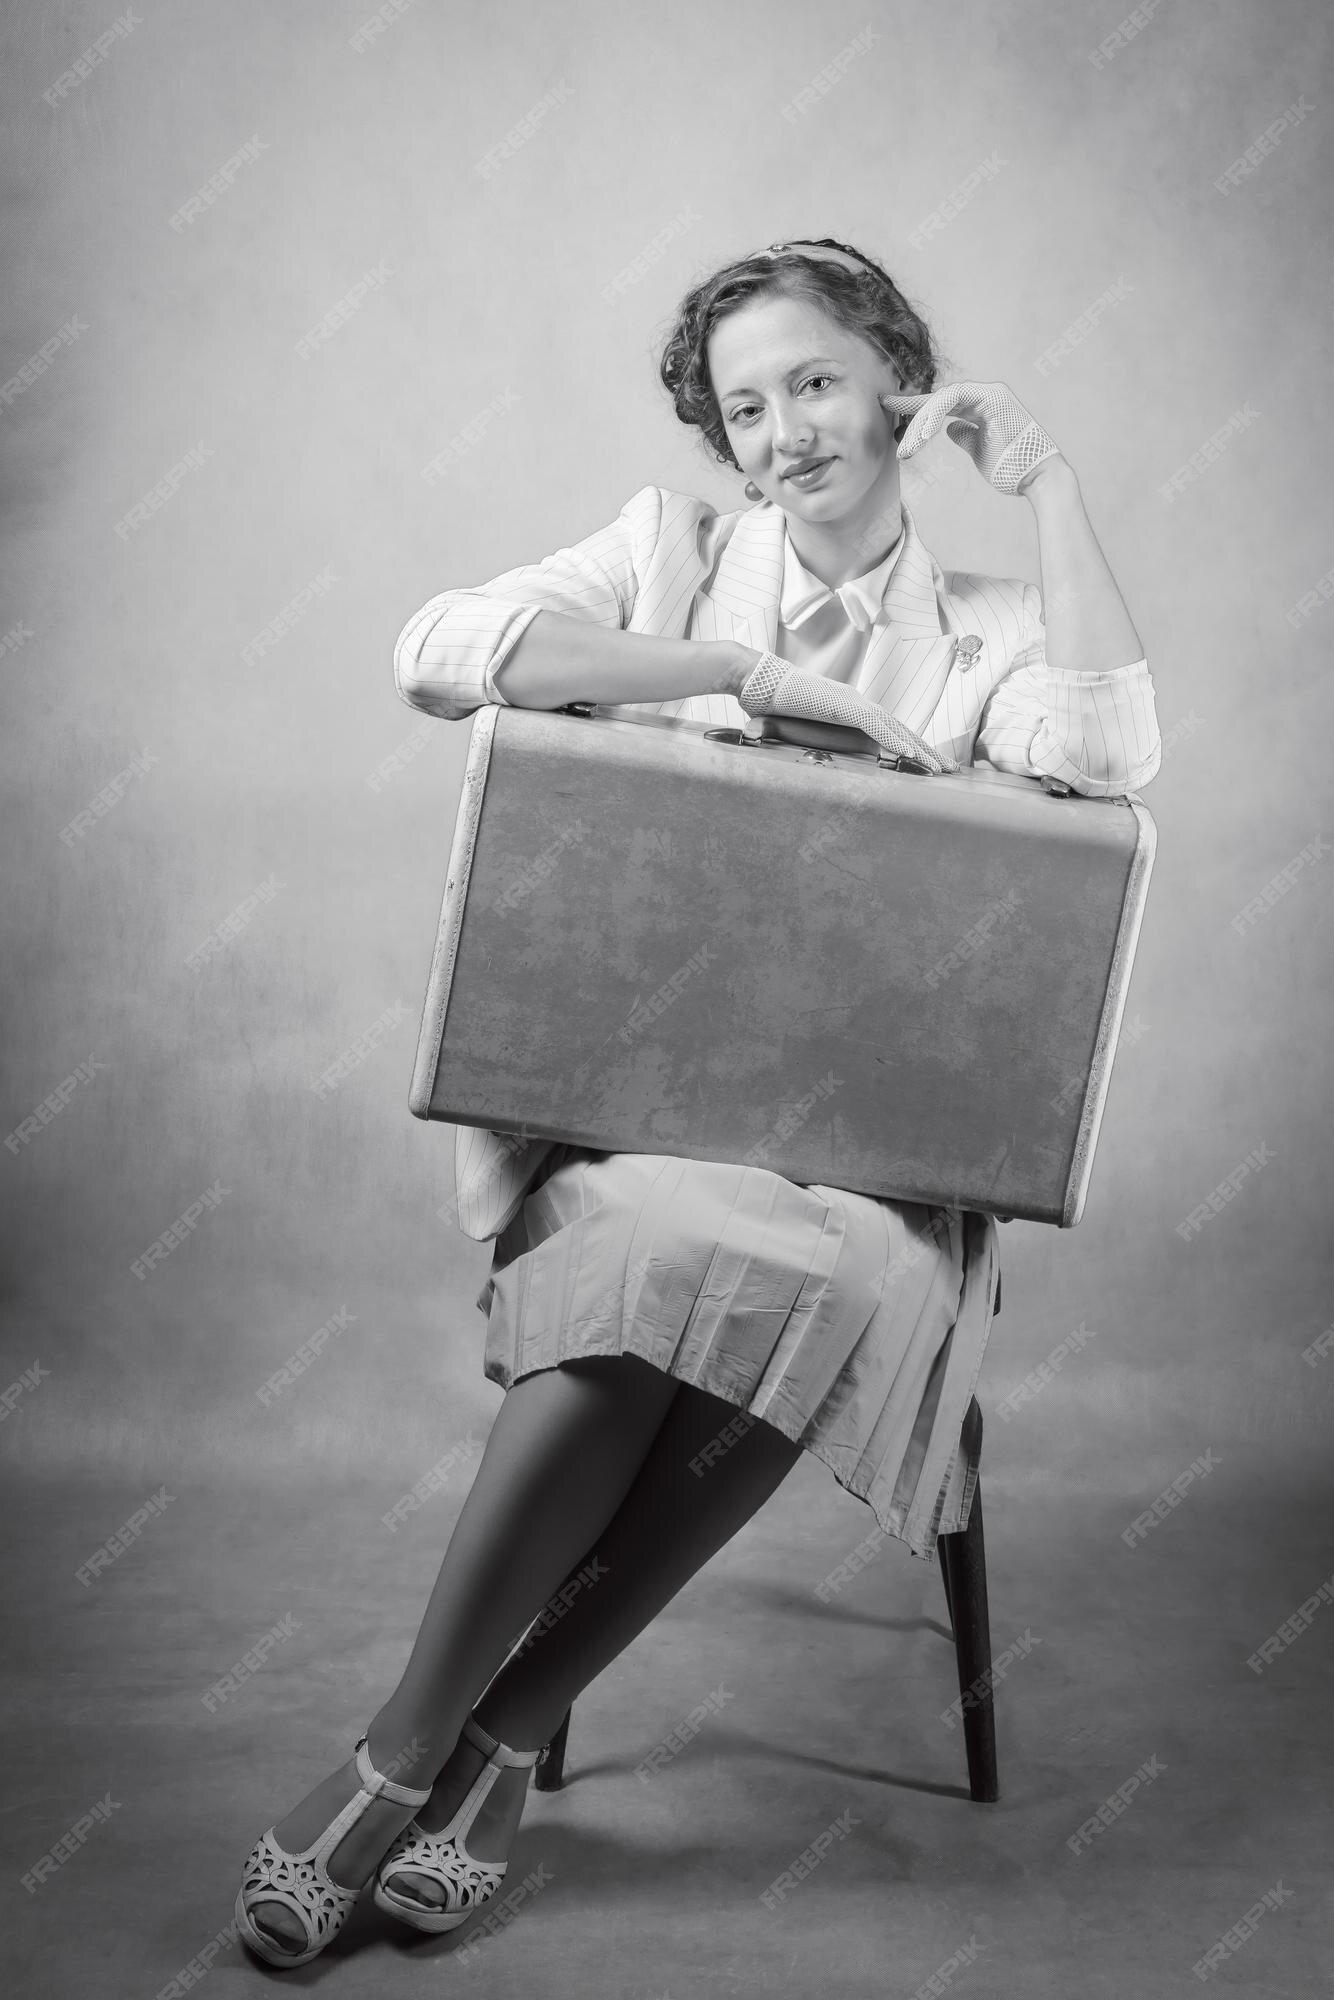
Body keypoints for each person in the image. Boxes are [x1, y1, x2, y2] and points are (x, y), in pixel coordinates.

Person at [235, 236, 1161, 1966]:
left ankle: (475, 1738)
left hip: (887, 1178)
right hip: (644, 1124)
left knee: (845, 1271)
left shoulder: (1000, 629)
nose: (783, 433)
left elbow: (1102, 766)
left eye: (813, 381)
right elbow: (440, 648)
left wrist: (1049, 491)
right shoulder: (666, 559)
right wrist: (730, 677)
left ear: (895, 375)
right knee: (659, 1231)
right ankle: (423, 1745)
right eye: (744, 408)